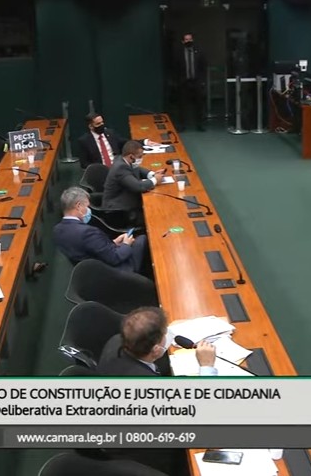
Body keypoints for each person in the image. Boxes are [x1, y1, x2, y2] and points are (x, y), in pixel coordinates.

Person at [98, 306, 216, 476]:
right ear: (155, 350)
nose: (169, 337)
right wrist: (207, 367)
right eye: (165, 335)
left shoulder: (116, 342)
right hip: (149, 458)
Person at [53, 187, 149, 274]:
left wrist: (114, 243)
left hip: (91, 273)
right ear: (78, 206)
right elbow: (115, 258)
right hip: (113, 272)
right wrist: (126, 244)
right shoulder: (87, 232)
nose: (88, 210)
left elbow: (91, 250)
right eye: (87, 206)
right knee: (141, 240)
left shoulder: (57, 230)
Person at [103, 140, 166, 228]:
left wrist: (152, 174)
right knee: (155, 217)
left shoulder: (123, 159)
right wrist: (155, 180)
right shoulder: (120, 168)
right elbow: (138, 186)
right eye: (140, 156)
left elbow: (137, 169)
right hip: (118, 212)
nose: (141, 158)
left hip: (125, 202)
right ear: (131, 156)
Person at [175, 33, 207, 132]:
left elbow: (203, 67)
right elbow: (174, 68)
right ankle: (182, 125)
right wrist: (177, 80)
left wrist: (202, 80)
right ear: (183, 41)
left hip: (196, 81)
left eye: (190, 39)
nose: (188, 41)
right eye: (186, 39)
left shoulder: (199, 51)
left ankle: (199, 124)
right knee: (182, 105)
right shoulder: (178, 53)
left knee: (199, 104)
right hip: (183, 82)